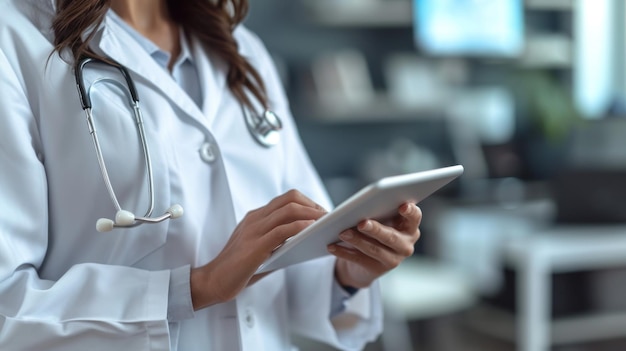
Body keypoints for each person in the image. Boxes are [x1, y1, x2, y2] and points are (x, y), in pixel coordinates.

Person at [0, 0, 422, 350]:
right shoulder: (14, 36)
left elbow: (297, 249)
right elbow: (8, 306)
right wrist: (196, 287)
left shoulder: (242, 51)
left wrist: (352, 266)